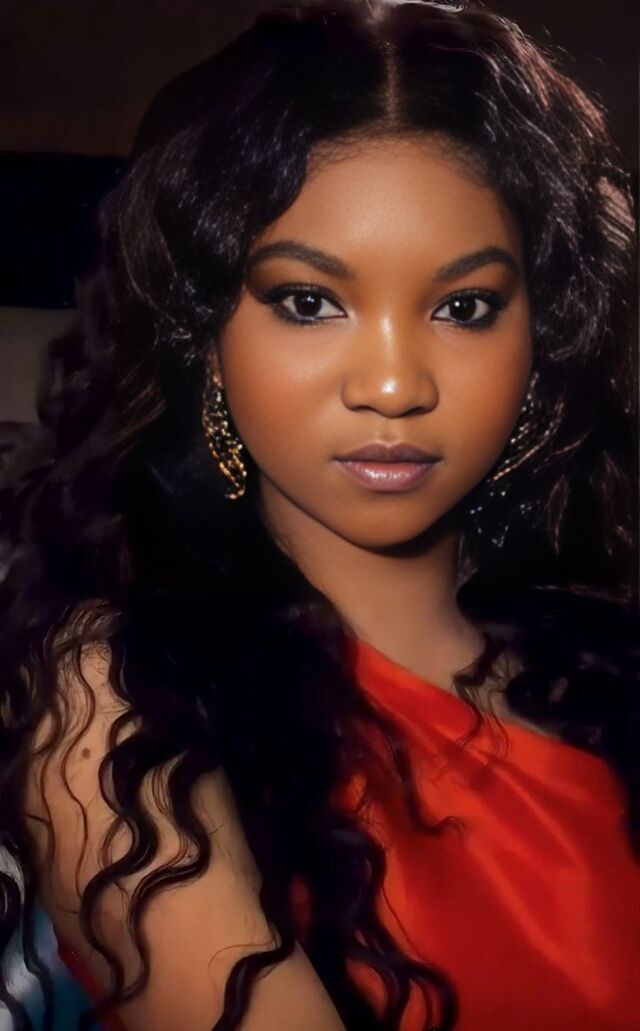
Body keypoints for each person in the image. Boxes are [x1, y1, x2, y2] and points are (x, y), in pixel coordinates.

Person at [0, 0, 638, 1028]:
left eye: (464, 306)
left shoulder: (604, 667)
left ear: (542, 343)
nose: (392, 384)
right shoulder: (121, 697)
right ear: (205, 338)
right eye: (308, 301)